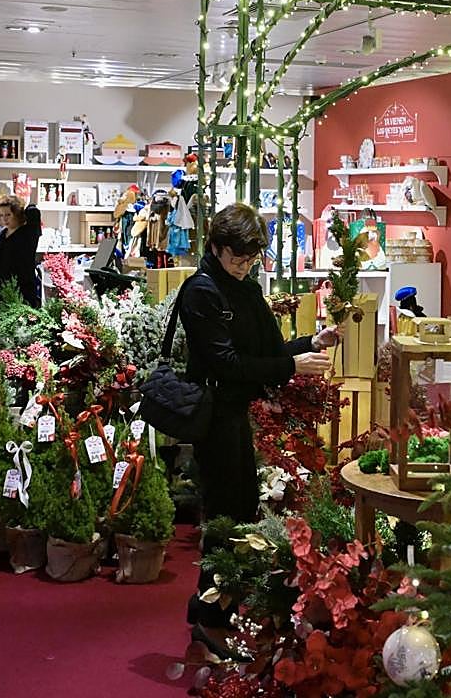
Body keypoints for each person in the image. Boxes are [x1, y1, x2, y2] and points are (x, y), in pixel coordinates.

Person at [177, 203, 339, 654]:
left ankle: (222, 613)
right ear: (216, 247)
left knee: (240, 513)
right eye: (237, 258)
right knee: (227, 516)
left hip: (235, 415)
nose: (244, 266)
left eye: (251, 259)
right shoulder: (202, 292)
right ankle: (210, 620)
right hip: (214, 418)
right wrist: (293, 365)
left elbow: (267, 349)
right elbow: (227, 364)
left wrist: (310, 343)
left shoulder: (243, 289)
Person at [0, 194, 42, 308]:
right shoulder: (1, 233)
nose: (4, 218)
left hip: (20, 291)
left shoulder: (28, 234)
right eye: (1, 215)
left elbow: (33, 211)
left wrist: (21, 207)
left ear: (17, 214)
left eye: (8, 214)